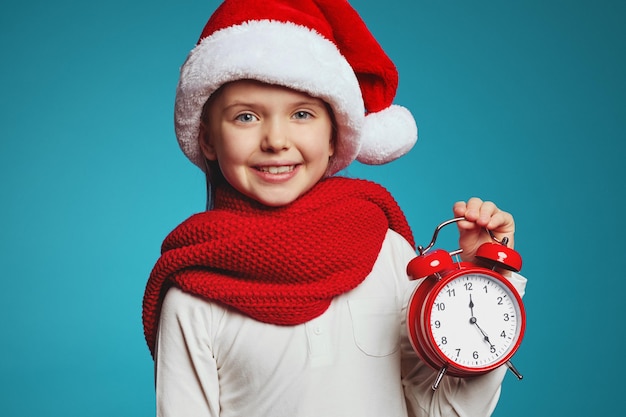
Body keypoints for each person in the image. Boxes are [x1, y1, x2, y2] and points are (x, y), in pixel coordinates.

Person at [142, 0, 527, 416]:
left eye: (302, 114)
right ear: (208, 140)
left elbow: (446, 412)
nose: (275, 140)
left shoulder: (386, 251)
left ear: (334, 136)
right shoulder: (193, 291)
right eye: (246, 117)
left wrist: (485, 285)